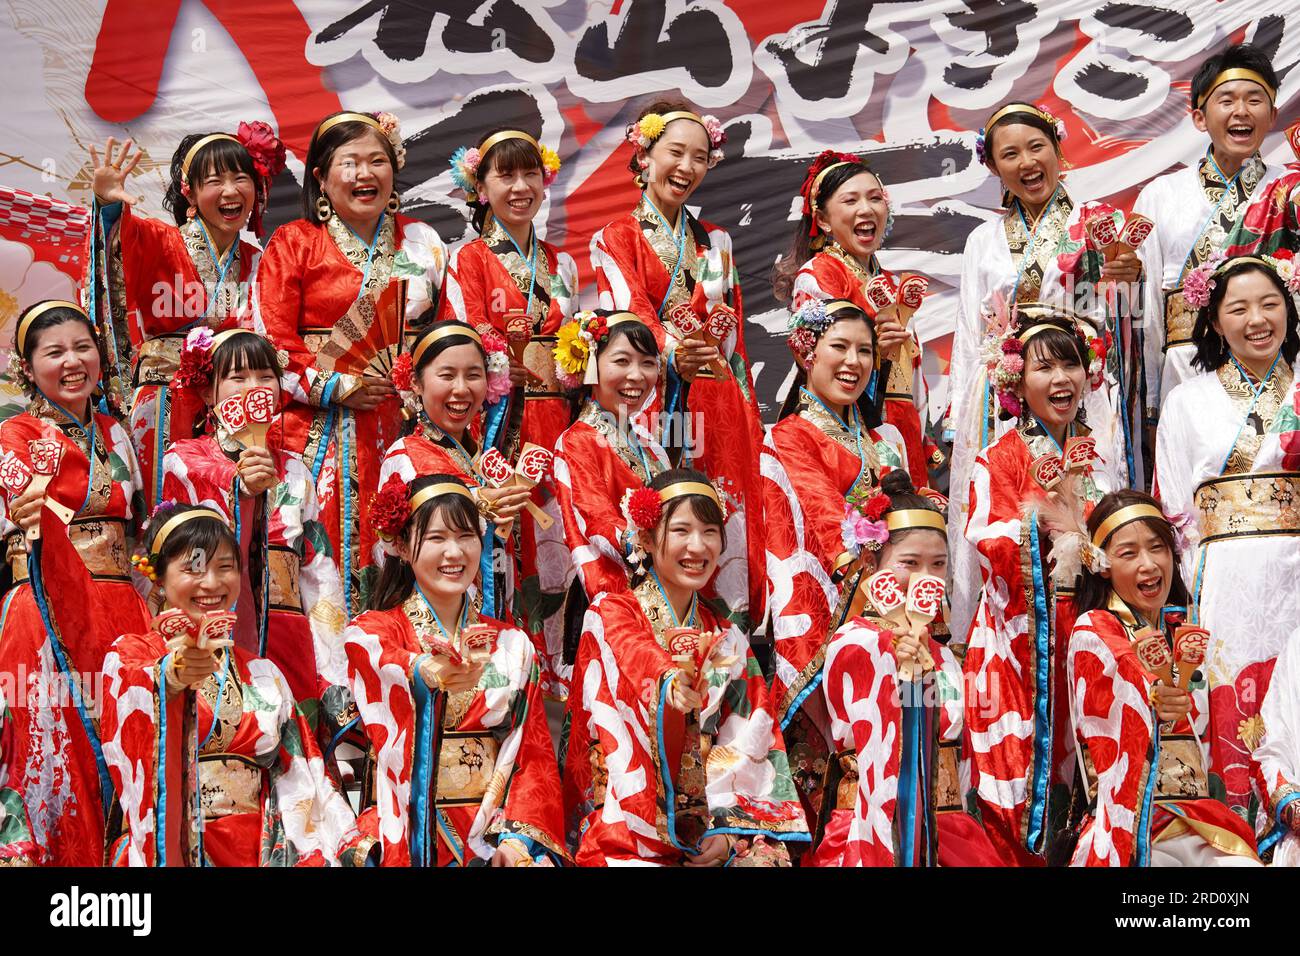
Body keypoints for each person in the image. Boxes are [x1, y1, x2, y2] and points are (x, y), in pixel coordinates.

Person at [948, 101, 1139, 649]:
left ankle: (1093, 628)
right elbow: (968, 337)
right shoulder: (982, 241)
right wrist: (968, 410)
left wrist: (1126, 276)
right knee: (1007, 510)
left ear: (1059, 151)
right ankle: (993, 633)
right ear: (994, 168)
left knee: (1086, 494)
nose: (1027, 162)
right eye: (1010, 154)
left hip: (1079, 386)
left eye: (1037, 147)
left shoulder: (1095, 226)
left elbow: (1119, 317)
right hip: (1004, 394)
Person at [253, 110, 446, 619]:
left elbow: (449, 337)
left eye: (378, 161)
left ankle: (394, 681)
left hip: (403, 423)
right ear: (320, 175)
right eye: (351, 163)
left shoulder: (423, 242)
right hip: (314, 430)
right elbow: (271, 341)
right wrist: (334, 386)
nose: (366, 175)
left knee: (405, 549)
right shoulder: (293, 243)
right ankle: (327, 689)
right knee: (316, 564)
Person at [564, 469, 808, 865]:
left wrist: (728, 834)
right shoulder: (609, 614)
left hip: (713, 821)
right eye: (681, 530)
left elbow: (750, 735)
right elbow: (634, 657)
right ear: (645, 537)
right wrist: (670, 683)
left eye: (710, 532)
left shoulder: (726, 634)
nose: (698, 547)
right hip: (629, 817)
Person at [101, 504, 369, 866]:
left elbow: (305, 772)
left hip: (260, 846)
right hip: (173, 844)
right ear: (159, 577)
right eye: (193, 567)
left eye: (225, 567)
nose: (211, 583)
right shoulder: (129, 656)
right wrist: (171, 682)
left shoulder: (262, 670)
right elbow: (130, 726)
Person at [589, 100, 766, 628]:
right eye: (675, 152)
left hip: (715, 395)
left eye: (700, 156)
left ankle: (722, 629)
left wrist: (711, 341)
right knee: (664, 506)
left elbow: (732, 323)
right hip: (653, 396)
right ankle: (660, 630)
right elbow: (630, 316)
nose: (687, 167)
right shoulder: (616, 236)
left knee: (720, 512)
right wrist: (674, 348)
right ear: (644, 156)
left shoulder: (716, 240)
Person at [963, 309, 1125, 866]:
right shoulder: (999, 456)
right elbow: (990, 537)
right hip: (1024, 641)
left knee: (1092, 765)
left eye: (1072, 365)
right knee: (1022, 768)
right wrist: (1050, 524)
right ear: (1015, 382)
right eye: (1044, 367)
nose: (1061, 380)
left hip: (1090, 628)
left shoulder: (1102, 454)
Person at [345, 475, 566, 866]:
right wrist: (424, 670)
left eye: (466, 536)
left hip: (492, 830)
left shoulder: (513, 644)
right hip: (404, 823)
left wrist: (515, 842)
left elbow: (533, 758)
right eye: (436, 538)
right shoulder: (374, 630)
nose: (454, 552)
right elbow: (380, 661)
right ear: (402, 546)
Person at [0, 299, 150, 865]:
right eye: (53, 352)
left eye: (82, 347)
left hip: (121, 605)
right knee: (56, 745)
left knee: (123, 744)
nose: (72, 362)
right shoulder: (16, 432)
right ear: (27, 367)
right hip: (48, 609)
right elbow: (20, 513)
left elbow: (138, 530)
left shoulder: (116, 432)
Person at [1154, 254, 1300, 816]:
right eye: (1238, 308)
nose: (1257, 319)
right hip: (1225, 581)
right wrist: (1203, 579)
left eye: (1270, 303)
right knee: (1232, 704)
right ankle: (1236, 830)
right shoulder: (1187, 402)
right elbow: (1174, 514)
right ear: (1214, 321)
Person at [761, 298, 909, 830]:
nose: (854, 362)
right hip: (836, 620)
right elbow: (827, 523)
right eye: (839, 347)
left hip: (895, 616)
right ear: (806, 351)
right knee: (829, 788)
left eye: (865, 351)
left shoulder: (881, 442)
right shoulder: (788, 436)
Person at [161, 328, 350, 741]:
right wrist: (240, 486)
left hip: (289, 638)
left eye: (265, 376)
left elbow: (319, 577)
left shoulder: (296, 471)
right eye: (237, 377)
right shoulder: (183, 459)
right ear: (209, 393)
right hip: (212, 637)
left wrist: (334, 668)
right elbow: (177, 553)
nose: (254, 388)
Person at [83, 126, 285, 508]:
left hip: (232, 410)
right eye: (215, 180)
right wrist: (107, 206)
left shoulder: (260, 261)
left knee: (221, 514)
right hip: (162, 402)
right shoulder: (160, 242)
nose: (230, 191)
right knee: (161, 516)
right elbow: (116, 260)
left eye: (241, 178)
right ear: (189, 192)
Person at [807, 471, 1001, 867]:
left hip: (948, 827)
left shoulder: (943, 653)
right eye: (909, 563)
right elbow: (884, 732)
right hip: (874, 826)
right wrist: (900, 657)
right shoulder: (855, 642)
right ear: (870, 561)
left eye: (938, 565)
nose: (924, 579)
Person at [442, 127, 578, 685]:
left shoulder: (561, 264)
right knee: (502, 539)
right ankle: (499, 671)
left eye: (531, 175)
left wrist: (573, 362)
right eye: (505, 175)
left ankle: (558, 676)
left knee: (555, 544)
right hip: (498, 423)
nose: (520, 187)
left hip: (555, 423)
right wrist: (500, 357)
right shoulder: (466, 258)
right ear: (481, 188)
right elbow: (463, 333)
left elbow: (575, 345)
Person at [1066, 491, 1260, 866]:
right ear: (1102, 565)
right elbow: (1122, 662)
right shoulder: (1094, 628)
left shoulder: (1185, 630)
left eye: (1157, 548)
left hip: (1199, 821)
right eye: (1129, 553)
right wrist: (1154, 692)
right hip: (1132, 824)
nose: (1149, 565)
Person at [1137, 44, 1286, 431]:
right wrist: (1151, 403)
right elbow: (1148, 311)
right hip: (1184, 370)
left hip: (1277, 366)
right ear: (1200, 118)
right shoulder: (1160, 196)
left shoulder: (1289, 190)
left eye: (1255, 100)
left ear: (1271, 115)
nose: (1241, 111)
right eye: (1227, 100)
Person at [774, 148, 935, 491]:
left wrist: (921, 432)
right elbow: (817, 362)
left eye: (875, 198)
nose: (866, 209)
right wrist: (878, 351)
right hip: (855, 422)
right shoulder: (819, 275)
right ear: (824, 219)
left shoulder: (893, 283)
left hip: (902, 422)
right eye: (850, 200)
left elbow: (913, 370)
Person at [378, 320, 530, 627]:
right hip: (434, 619)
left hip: (495, 613)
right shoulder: (404, 455)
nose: (461, 389)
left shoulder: (484, 456)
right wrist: (480, 502)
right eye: (446, 375)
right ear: (417, 384)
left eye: (474, 375)